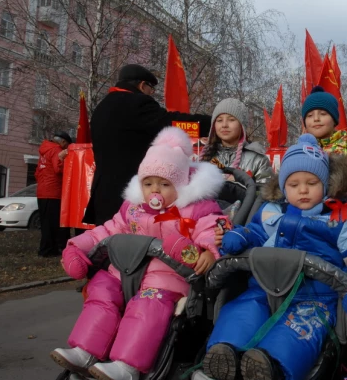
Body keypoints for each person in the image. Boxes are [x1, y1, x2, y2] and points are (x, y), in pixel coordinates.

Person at [203, 134, 347, 380]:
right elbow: (256, 232)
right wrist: (241, 237)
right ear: (284, 188)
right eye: (294, 184)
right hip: (265, 286)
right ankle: (225, 351)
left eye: (312, 182)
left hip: (314, 295)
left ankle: (270, 365)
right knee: (243, 310)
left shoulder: (342, 215)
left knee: (299, 329)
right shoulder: (272, 210)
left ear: (326, 184)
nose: (303, 190)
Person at [50, 127, 225, 380]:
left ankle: (127, 365)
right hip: (124, 271)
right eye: (148, 183)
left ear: (181, 185)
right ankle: (85, 350)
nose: (155, 191)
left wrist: (209, 249)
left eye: (165, 184)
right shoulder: (132, 210)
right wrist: (78, 246)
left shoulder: (193, 211)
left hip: (165, 277)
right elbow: (106, 230)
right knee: (101, 291)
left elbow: (213, 227)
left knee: (147, 305)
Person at [83, 64, 212, 226]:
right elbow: (171, 122)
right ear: (142, 85)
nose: (152, 94)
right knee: (134, 246)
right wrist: (213, 123)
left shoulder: (101, 107)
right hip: (129, 194)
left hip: (103, 193)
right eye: (151, 89)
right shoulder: (137, 103)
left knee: (106, 243)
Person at [302, 87, 347, 185]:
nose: (316, 119)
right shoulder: (300, 150)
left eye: (323, 114)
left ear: (334, 120)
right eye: (310, 115)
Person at [200, 98, 273, 185]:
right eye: (219, 120)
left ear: (242, 126)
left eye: (231, 120)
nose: (224, 125)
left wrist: (244, 183)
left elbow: (265, 194)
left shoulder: (258, 160)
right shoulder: (205, 157)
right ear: (213, 126)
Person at [35, 131, 72, 257]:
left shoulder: (45, 151)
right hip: (53, 192)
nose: (67, 148)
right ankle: (49, 250)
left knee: (46, 224)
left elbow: (37, 173)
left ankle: (45, 248)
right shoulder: (56, 150)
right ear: (62, 142)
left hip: (42, 191)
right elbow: (58, 169)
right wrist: (64, 159)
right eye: (67, 145)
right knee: (54, 224)